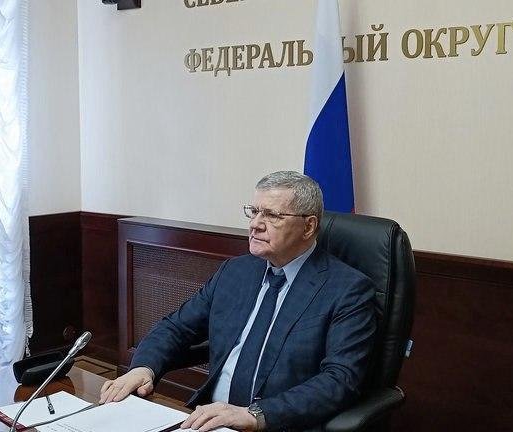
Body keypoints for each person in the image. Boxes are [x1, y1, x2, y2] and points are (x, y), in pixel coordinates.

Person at [99, 171, 376, 431]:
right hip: (208, 420)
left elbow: (339, 380)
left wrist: (255, 415)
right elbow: (177, 327)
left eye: (272, 215)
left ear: (309, 226)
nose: (255, 224)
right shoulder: (236, 271)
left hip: (279, 424)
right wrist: (144, 367)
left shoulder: (347, 290)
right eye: (254, 211)